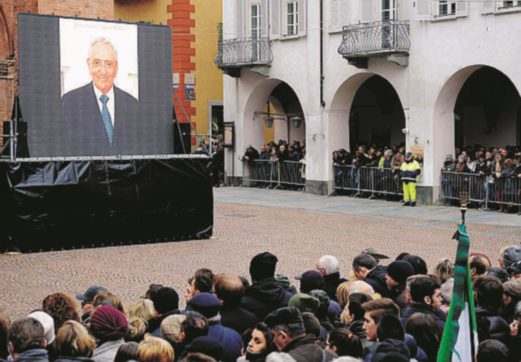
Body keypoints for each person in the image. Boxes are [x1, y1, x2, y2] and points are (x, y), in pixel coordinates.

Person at [61, 38, 139, 156]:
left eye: (108, 64)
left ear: (116, 68)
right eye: (97, 63)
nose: (103, 71)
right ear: (89, 65)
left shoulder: (132, 104)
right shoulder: (70, 102)